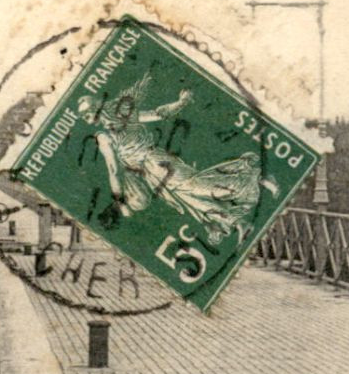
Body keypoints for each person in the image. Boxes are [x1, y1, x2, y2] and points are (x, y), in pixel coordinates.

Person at [78, 73, 276, 248]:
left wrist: (120, 203)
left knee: (195, 187)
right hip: (152, 173)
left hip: (156, 163)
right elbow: (157, 114)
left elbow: (113, 170)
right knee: (188, 198)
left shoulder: (105, 135)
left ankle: (254, 176)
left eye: (87, 113)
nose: (86, 118)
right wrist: (180, 103)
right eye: (84, 116)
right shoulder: (120, 118)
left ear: (97, 109)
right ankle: (236, 223)